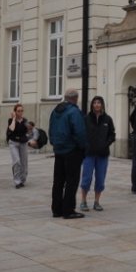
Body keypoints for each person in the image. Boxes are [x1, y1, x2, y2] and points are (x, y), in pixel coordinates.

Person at [49, 89, 87, 219]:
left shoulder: (55, 111)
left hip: (59, 149)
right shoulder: (74, 112)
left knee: (58, 181)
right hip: (72, 150)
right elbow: (80, 132)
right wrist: (83, 148)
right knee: (72, 181)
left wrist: (54, 143)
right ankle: (68, 210)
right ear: (76, 98)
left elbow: (51, 128)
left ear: (65, 97)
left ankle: (56, 209)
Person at [79, 96, 115, 211]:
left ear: (102, 105)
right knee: (87, 177)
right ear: (92, 105)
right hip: (89, 153)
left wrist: (106, 143)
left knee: (100, 178)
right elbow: (81, 133)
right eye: (95, 103)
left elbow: (112, 134)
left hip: (102, 154)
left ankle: (96, 201)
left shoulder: (107, 119)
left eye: (99, 103)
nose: (97, 105)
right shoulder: (86, 118)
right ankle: (83, 201)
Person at [7, 104, 30, 188]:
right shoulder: (11, 120)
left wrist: (29, 128)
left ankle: (22, 180)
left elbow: (28, 133)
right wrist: (14, 118)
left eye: (22, 111)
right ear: (15, 112)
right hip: (13, 142)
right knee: (17, 161)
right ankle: (17, 181)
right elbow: (12, 129)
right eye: (18, 111)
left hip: (23, 142)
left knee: (23, 162)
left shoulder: (25, 120)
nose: (20, 112)